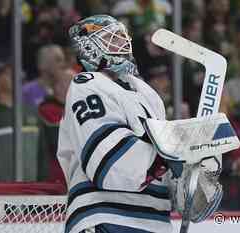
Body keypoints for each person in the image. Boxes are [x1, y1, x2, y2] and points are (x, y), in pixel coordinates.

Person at [57, 15, 175, 233]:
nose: (123, 44)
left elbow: (167, 171)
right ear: (90, 48)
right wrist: (170, 156)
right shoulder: (87, 86)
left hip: (155, 221)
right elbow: (110, 167)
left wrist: (190, 176)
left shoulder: (148, 94)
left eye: (123, 38)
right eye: (113, 39)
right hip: (103, 216)